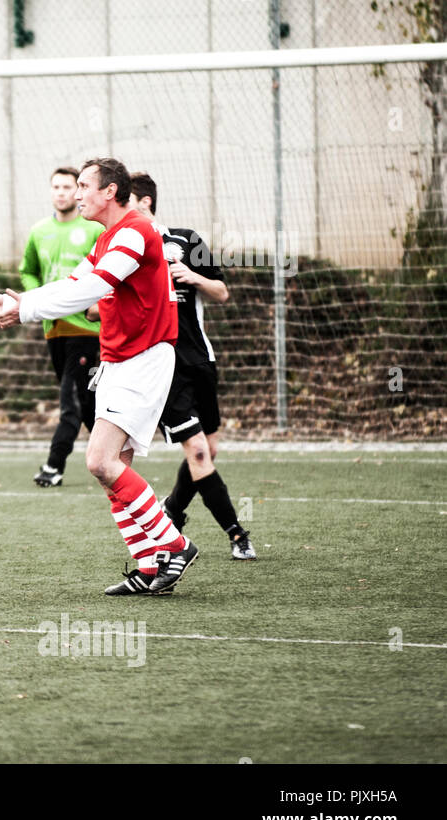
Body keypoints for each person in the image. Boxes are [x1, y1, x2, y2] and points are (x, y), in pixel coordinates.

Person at [0, 158, 197, 595]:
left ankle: (174, 545)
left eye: (85, 186)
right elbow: (75, 280)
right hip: (123, 358)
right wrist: (21, 303)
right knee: (113, 467)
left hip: (142, 359)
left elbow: (92, 289)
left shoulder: (133, 232)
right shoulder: (111, 236)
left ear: (110, 192)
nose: (77, 194)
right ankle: (150, 569)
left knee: (99, 461)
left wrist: (24, 310)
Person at [127, 172, 255, 560]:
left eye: (125, 202)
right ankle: (237, 535)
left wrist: (191, 276)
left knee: (207, 452)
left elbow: (222, 291)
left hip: (201, 360)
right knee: (198, 451)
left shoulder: (186, 239)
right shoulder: (125, 249)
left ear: (145, 202)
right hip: (165, 368)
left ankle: (173, 510)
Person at [19, 167, 106, 487]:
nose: (61, 192)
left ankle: (54, 466)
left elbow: (107, 274)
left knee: (70, 396)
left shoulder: (94, 230)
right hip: (53, 328)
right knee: (85, 402)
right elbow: (27, 271)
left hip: (85, 329)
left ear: (78, 191)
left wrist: (93, 303)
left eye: (68, 186)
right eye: (55, 186)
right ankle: (115, 457)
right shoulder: (39, 231)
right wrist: (34, 297)